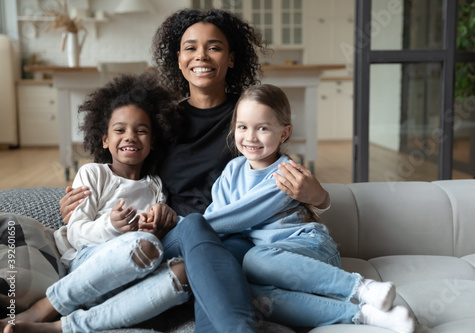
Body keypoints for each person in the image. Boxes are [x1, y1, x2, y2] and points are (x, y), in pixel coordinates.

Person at [58, 8, 329, 332]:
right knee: (200, 255)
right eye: (190, 47)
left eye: (214, 47)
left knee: (224, 259)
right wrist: (78, 207)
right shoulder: (160, 122)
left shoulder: (247, 119)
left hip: (234, 234)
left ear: (231, 58)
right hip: (174, 234)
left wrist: (321, 198)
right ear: (178, 58)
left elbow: (277, 181)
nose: (201, 55)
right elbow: (128, 173)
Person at [198, 84, 415, 333]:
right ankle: (363, 315)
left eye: (263, 128)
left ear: (284, 133)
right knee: (250, 294)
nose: (250, 137)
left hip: (310, 249)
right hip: (277, 267)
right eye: (243, 127)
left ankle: (362, 288)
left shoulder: (287, 172)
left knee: (255, 260)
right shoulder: (231, 171)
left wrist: (187, 229)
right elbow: (216, 215)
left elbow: (234, 217)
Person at [1, 72, 193, 333]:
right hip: (89, 267)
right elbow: (77, 232)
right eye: (119, 130)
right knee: (144, 244)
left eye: (141, 130)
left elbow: (153, 239)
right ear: (105, 139)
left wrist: (161, 220)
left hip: (131, 280)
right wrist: (112, 226)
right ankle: (43, 308)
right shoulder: (94, 174)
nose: (130, 136)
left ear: (153, 142)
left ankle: (62, 328)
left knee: (183, 271)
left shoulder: (155, 185)